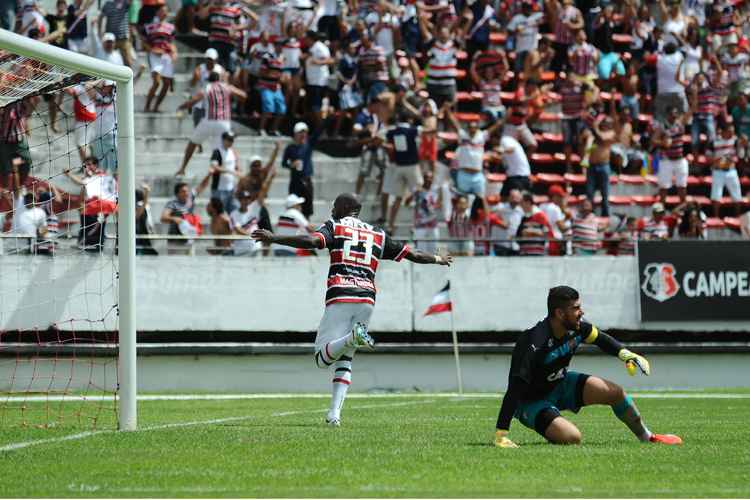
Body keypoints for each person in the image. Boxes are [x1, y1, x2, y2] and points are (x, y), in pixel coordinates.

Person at [251, 193, 452, 426]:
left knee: (321, 359)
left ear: (345, 207)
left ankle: (352, 338)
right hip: (367, 299)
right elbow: (414, 254)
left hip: (341, 292)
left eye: (335, 205)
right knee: (345, 359)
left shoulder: (335, 226)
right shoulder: (377, 233)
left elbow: (312, 242)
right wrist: (439, 258)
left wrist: (274, 238)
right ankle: (334, 415)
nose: (332, 210)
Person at [494, 286, 683, 448]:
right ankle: (549, 420)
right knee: (571, 437)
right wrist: (501, 434)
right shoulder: (533, 342)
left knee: (616, 393)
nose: (581, 312)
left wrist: (626, 354)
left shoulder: (577, 328)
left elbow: (600, 338)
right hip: (531, 401)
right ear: (560, 313)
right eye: (576, 308)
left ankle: (647, 437)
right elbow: (515, 388)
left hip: (560, 384)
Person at [175, 71, 247, 176]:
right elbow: (243, 95)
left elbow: (193, 101)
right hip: (224, 123)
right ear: (219, 79)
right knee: (226, 147)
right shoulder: (227, 87)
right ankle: (236, 167)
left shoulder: (207, 88)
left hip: (209, 121)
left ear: (209, 80)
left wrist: (181, 107)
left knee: (193, 143)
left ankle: (183, 168)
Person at [382, 112, 423, 234]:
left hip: (398, 167)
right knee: (419, 196)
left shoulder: (392, 132)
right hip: (412, 167)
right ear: (409, 119)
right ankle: (416, 225)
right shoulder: (412, 130)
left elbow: (382, 140)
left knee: (398, 198)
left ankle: (390, 225)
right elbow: (428, 130)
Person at [651, 105, 693, 204]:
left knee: (682, 187)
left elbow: (691, 111)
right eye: (672, 114)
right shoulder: (662, 126)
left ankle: (683, 210)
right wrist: (663, 143)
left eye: (675, 114)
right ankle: (661, 210)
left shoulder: (680, 124)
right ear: (668, 115)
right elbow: (653, 140)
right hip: (667, 160)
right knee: (664, 188)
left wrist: (694, 97)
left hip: (680, 159)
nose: (674, 116)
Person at [282, 121, 322, 218]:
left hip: (306, 181)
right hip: (295, 182)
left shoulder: (309, 145)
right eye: (301, 132)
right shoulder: (290, 148)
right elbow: (284, 163)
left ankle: (305, 228)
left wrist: (327, 117)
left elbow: (318, 132)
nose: (303, 135)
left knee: (307, 209)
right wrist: (291, 164)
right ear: (295, 134)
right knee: (293, 208)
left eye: (305, 132)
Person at [142, 3, 176, 113]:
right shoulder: (150, 27)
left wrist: (174, 52)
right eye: (162, 11)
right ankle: (147, 105)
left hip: (166, 56)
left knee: (166, 84)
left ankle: (156, 106)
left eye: (165, 11)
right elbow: (144, 42)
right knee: (156, 82)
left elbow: (171, 43)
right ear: (157, 13)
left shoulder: (170, 27)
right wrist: (152, 50)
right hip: (154, 56)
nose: (164, 13)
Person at [709, 121, 743, 218]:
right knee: (716, 196)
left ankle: (737, 216)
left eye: (733, 131)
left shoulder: (736, 141)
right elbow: (708, 156)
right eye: (730, 131)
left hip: (731, 170)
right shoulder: (714, 141)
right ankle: (716, 217)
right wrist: (716, 161)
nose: (732, 133)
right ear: (723, 132)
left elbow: (740, 155)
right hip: (718, 171)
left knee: (737, 195)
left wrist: (742, 145)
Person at [404, 171, 442, 255]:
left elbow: (440, 204)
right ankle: (419, 268)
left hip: (433, 225)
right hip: (420, 226)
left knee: (433, 252)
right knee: (421, 253)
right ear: (423, 179)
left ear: (433, 179)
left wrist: (433, 206)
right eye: (426, 177)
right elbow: (406, 203)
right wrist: (414, 193)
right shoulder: (417, 190)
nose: (428, 179)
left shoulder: (435, 190)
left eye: (430, 178)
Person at [209, 130, 239, 214]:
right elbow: (214, 166)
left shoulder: (233, 152)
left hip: (231, 188)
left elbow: (236, 166)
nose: (231, 142)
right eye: (229, 139)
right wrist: (230, 171)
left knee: (233, 213)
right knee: (219, 213)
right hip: (219, 189)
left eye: (232, 140)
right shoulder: (217, 152)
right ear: (223, 140)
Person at [99, 0, 134, 68]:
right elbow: (101, 17)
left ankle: (128, 77)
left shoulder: (125, 3)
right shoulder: (108, 4)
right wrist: (99, 32)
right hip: (110, 38)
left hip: (123, 38)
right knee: (108, 60)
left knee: (128, 61)